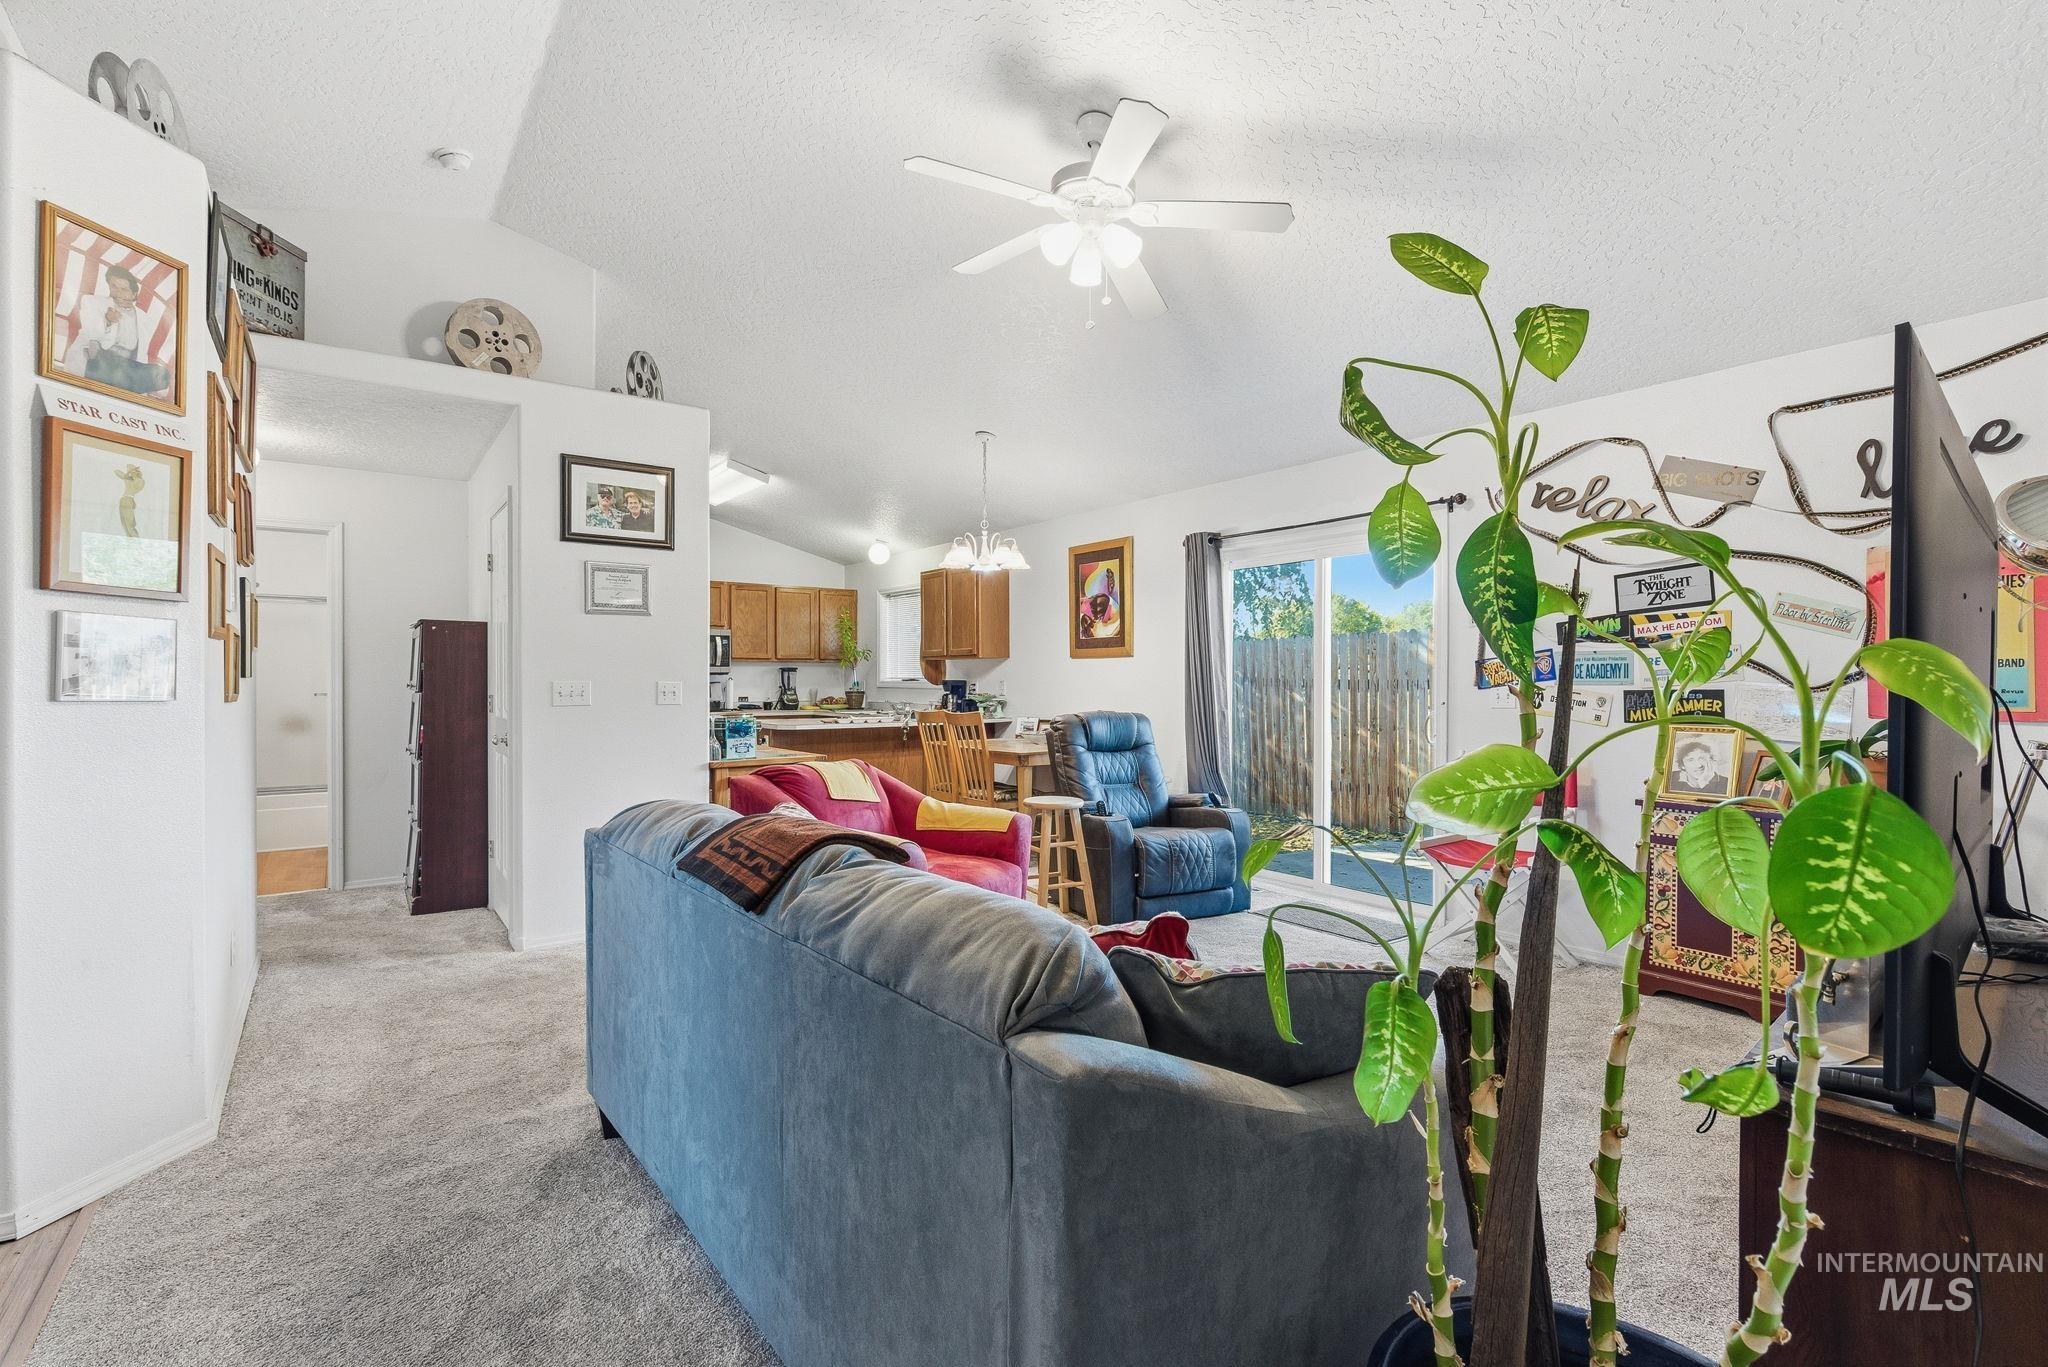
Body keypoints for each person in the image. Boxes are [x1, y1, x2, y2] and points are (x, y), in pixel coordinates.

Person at [64, 264, 172, 398]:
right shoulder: (93, 303)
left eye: (124, 289)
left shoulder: (143, 317)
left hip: (126, 368)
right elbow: (93, 341)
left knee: (162, 374)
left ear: (134, 294)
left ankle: (125, 383)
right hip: (97, 361)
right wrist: (108, 322)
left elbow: (141, 353)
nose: (118, 293)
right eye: (113, 286)